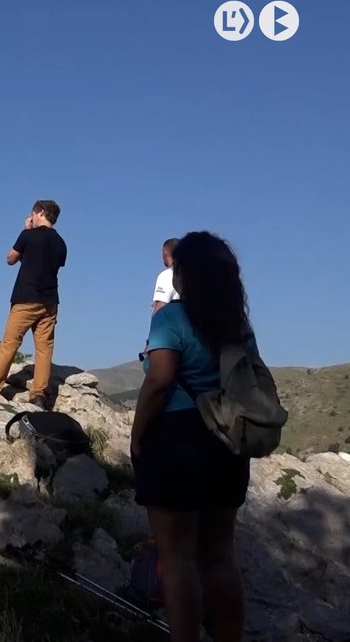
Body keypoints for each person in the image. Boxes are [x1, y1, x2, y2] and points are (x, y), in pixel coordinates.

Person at [130, 231, 252, 642]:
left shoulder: (171, 318)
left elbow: (160, 380)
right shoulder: (237, 325)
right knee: (221, 556)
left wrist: (137, 436)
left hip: (178, 439)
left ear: (188, 273)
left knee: (178, 557)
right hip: (228, 443)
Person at [0, 200, 66, 407]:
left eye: (33, 214)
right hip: (50, 301)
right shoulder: (61, 243)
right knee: (44, 348)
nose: (31, 218)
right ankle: (38, 394)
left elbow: (10, 258)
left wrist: (26, 230)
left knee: (10, 342)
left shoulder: (28, 235)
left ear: (40, 212)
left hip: (26, 297)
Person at [153, 237, 181, 313]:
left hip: (175, 320)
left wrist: (156, 306)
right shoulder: (196, 276)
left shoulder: (167, 275)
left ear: (165, 254)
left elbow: (160, 308)